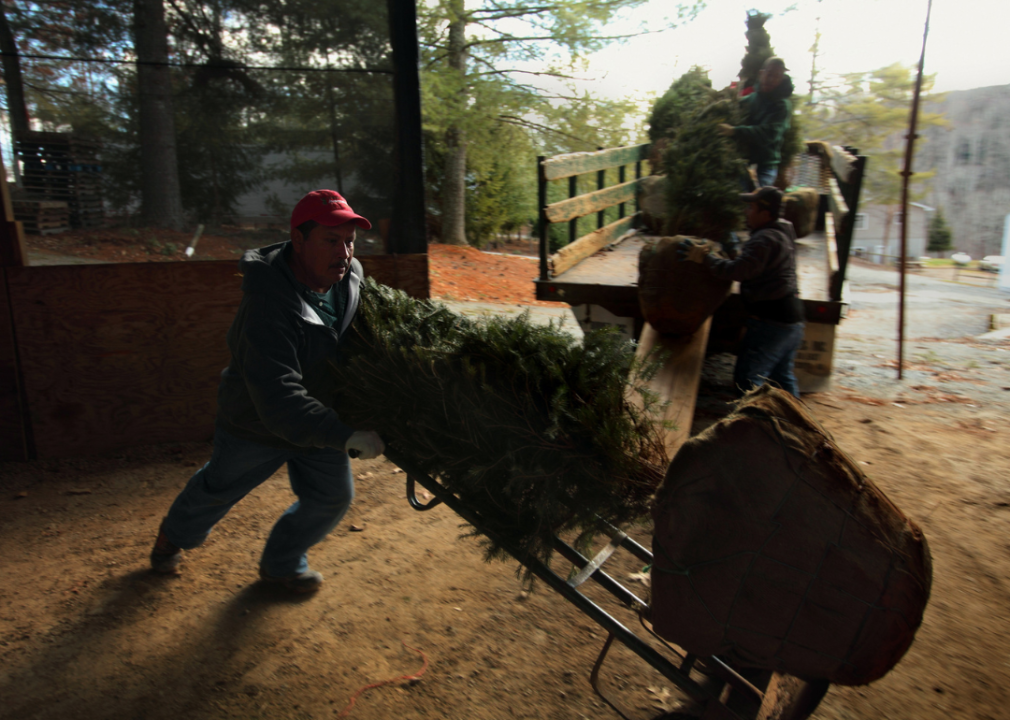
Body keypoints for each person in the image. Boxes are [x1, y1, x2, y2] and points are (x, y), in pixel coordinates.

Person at [149, 189, 386, 594]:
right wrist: (343, 434)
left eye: (349, 241)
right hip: (255, 423)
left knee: (330, 499)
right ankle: (173, 537)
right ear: (298, 241)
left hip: (318, 418)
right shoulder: (267, 306)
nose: (344, 253)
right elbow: (276, 395)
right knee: (217, 489)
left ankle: (281, 565)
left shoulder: (350, 280)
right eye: (331, 240)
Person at [678, 186, 805, 398]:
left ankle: (754, 426)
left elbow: (738, 271)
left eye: (751, 208)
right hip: (792, 320)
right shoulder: (783, 231)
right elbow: (755, 264)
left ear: (766, 214)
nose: (747, 212)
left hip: (771, 322)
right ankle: (796, 425)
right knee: (783, 378)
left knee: (748, 379)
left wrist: (705, 258)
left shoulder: (764, 239)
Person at [718, 56, 795, 189]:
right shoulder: (754, 97)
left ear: (781, 78)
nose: (771, 80)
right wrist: (723, 104)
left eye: (776, 76)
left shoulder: (782, 106)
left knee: (759, 199)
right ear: (761, 74)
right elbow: (738, 106)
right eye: (769, 74)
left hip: (766, 164)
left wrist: (734, 131)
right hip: (746, 160)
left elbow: (768, 133)